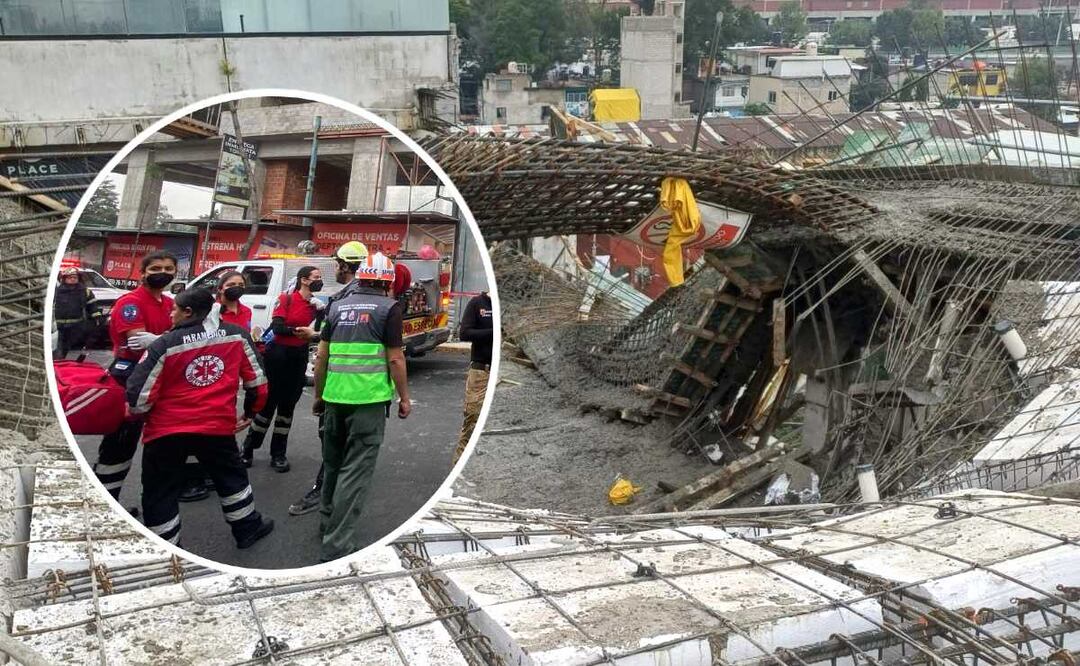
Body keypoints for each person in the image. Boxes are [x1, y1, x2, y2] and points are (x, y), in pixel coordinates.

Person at [126, 288, 274, 549]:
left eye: (174, 309)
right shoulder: (236, 335)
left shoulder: (164, 344)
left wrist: (148, 416)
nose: (171, 314)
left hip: (166, 432)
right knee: (232, 480)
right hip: (216, 427)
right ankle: (247, 528)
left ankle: (167, 547)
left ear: (188, 312)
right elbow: (258, 383)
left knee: (160, 491)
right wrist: (251, 412)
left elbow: (139, 397)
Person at [313, 249, 410, 562]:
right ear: (388, 282)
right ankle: (337, 544)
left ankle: (326, 524)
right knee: (355, 472)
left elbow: (321, 357)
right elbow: (395, 358)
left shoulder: (336, 305)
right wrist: (404, 397)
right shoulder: (389, 309)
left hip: (334, 398)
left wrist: (318, 396)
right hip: (368, 403)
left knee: (333, 465)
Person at [94, 252, 178, 500]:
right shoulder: (130, 303)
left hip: (159, 374)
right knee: (120, 442)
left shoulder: (169, 303)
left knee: (160, 438)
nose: (162, 273)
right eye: (155, 268)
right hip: (130, 374)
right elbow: (137, 342)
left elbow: (170, 338)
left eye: (168, 268)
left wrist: (161, 340)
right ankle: (107, 499)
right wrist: (169, 340)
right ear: (142, 273)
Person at [178, 270, 253, 504]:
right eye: (231, 284)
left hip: (230, 375)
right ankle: (192, 478)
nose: (237, 287)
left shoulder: (245, 311)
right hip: (206, 371)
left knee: (221, 422)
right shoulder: (210, 311)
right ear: (220, 289)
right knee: (197, 425)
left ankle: (210, 470)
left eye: (240, 284)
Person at [241, 266, 323, 472]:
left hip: (299, 357)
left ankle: (278, 453)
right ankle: (248, 448)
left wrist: (321, 313)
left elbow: (318, 332)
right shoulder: (286, 299)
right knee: (267, 405)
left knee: (287, 407)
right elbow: (278, 328)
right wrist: (299, 332)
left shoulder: (315, 305)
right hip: (278, 356)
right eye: (316, 277)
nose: (319, 280)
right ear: (304, 280)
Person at [454, 290, 493, 463]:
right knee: (472, 422)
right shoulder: (478, 303)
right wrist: (494, 332)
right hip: (481, 373)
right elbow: (464, 333)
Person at [53, 267, 102, 359]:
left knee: (66, 347)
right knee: (58, 347)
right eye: (70, 277)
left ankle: (61, 359)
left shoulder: (85, 291)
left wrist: (97, 317)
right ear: (64, 279)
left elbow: (92, 305)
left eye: (75, 277)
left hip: (76, 326)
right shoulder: (56, 291)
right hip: (58, 325)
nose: (72, 279)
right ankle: (58, 360)